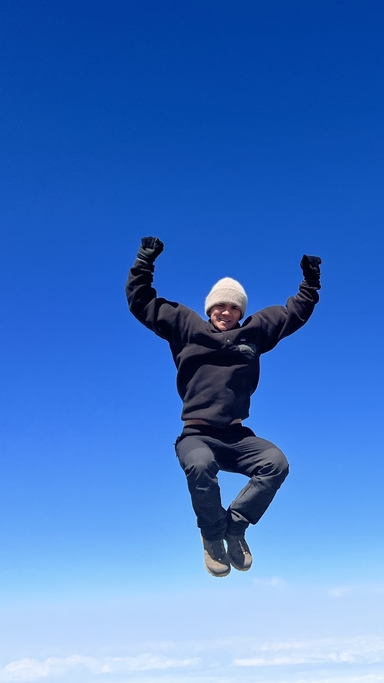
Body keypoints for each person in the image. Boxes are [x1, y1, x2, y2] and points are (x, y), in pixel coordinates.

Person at [126, 236, 322, 577]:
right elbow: (142, 301)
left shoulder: (254, 334)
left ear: (241, 312)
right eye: (220, 306)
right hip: (197, 435)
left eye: (233, 308)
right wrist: (144, 261)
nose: (226, 312)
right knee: (200, 465)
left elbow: (294, 313)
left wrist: (311, 281)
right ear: (209, 308)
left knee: (275, 463)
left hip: (235, 436)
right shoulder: (186, 327)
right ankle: (213, 536)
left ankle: (235, 527)